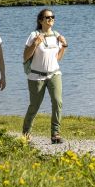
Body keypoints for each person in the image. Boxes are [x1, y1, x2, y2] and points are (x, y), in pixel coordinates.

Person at [21, 8, 68, 143]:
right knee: (34, 106)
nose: (51, 19)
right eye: (47, 17)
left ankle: (55, 134)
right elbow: (25, 57)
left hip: (54, 74)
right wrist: (35, 44)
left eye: (52, 17)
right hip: (36, 76)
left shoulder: (57, 35)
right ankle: (26, 134)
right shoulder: (33, 35)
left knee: (57, 101)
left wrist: (64, 46)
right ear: (40, 20)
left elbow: (57, 58)